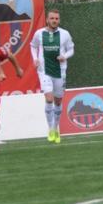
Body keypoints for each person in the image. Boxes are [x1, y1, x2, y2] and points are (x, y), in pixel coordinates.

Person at [30, 9, 75, 143]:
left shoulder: (65, 34)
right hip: (44, 70)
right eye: (52, 18)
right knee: (49, 99)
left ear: (58, 20)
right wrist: (35, 59)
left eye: (56, 18)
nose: (54, 20)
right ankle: (50, 129)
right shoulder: (39, 33)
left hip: (60, 71)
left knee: (58, 101)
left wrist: (64, 56)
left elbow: (71, 49)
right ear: (47, 20)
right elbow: (32, 46)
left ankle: (56, 128)